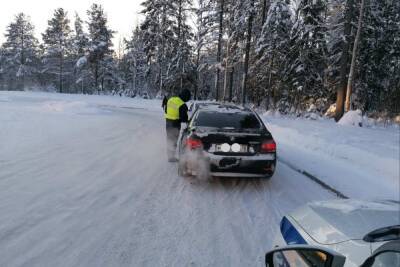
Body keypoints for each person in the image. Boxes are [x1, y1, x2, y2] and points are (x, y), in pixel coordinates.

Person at [164, 89, 191, 162]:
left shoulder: (171, 99)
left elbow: (166, 109)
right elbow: (184, 119)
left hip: (168, 122)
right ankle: (171, 157)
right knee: (174, 140)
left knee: (169, 139)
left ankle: (169, 155)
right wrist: (188, 121)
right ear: (185, 97)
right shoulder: (182, 105)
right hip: (175, 124)